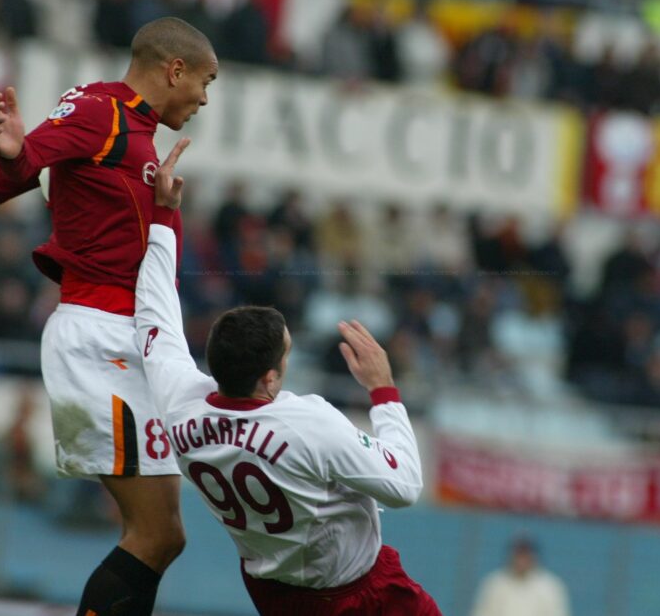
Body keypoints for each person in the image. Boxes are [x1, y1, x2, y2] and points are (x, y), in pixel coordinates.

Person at [0, 16, 218, 616]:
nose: (206, 98)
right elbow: (23, 164)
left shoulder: (132, 128)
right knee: (154, 534)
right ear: (174, 69)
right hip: (100, 338)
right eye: (206, 82)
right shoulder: (101, 111)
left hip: (128, 341)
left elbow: (27, 171)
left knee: (165, 536)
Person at [132, 153, 441, 615]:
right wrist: (384, 391)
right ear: (270, 376)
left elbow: (154, 313)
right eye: (286, 355)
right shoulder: (306, 422)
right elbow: (404, 485)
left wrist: (161, 217)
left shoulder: (181, 405)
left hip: (275, 595)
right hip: (359, 594)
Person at [470, 537, 569, 616]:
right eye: (518, 555)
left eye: (525, 555)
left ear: (534, 557)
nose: (521, 561)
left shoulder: (551, 587)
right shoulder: (494, 584)